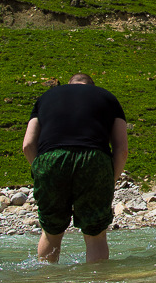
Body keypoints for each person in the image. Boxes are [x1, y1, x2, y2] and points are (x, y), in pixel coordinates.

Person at [22, 73, 128, 263]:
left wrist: (40, 171)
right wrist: (109, 180)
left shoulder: (46, 97)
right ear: (91, 86)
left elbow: (28, 145)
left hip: (50, 159)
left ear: (69, 84)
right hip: (94, 159)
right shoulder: (107, 97)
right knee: (95, 234)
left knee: (51, 232)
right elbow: (121, 150)